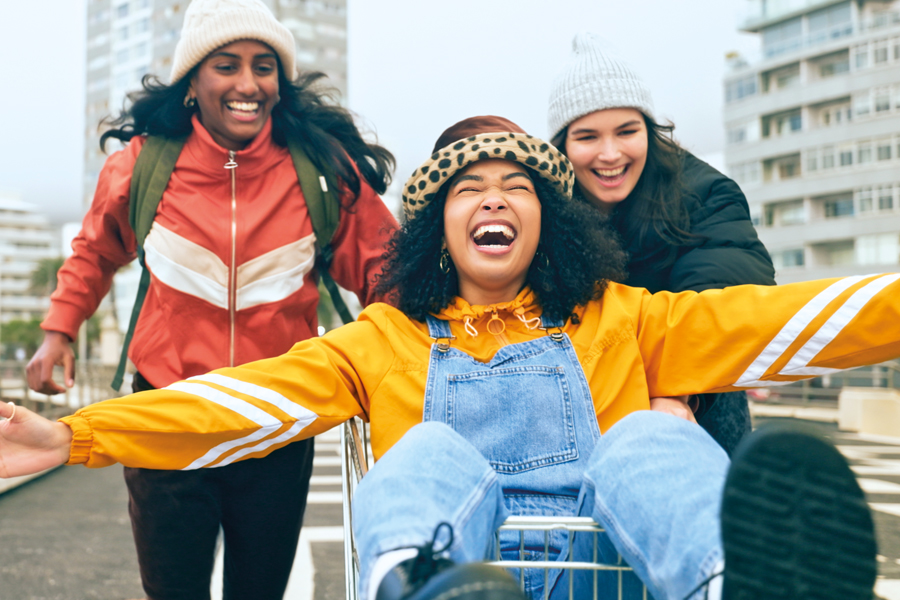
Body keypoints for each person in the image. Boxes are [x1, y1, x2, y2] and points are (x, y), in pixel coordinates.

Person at [4, 116, 895, 600]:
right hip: (461, 559)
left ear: (550, 225)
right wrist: (75, 436)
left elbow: (790, 320)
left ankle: (736, 584)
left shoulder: (624, 318)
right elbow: (243, 401)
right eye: (470, 189)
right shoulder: (384, 339)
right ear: (438, 231)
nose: (495, 199)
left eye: (518, 189)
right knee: (429, 450)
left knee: (652, 440)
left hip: (612, 569)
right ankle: (421, 587)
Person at [23, 0, 397, 598]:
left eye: (264, 67)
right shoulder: (142, 165)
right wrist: (58, 331)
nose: (249, 84)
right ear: (192, 83)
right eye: (227, 65)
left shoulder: (322, 169)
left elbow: (385, 269)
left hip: (276, 419)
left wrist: (402, 359)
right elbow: (94, 251)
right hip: (166, 414)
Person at [547, 33, 777, 455]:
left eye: (627, 131)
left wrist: (675, 392)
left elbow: (723, 298)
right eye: (588, 137)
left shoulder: (703, 194)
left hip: (693, 400)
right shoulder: (543, 208)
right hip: (576, 402)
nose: (610, 153)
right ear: (562, 146)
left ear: (650, 131)